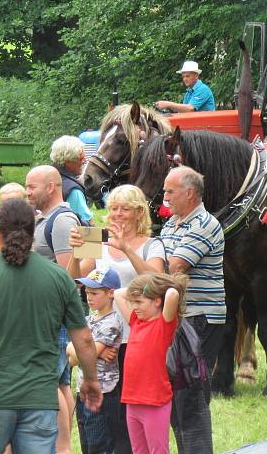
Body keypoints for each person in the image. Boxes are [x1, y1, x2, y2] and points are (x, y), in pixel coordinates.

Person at [0, 198, 103, 454]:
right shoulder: (58, 277)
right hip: (39, 398)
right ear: (33, 230)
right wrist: (92, 380)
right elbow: (83, 339)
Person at [68, 184, 167, 454]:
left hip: (136, 340)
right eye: (113, 208)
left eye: (124, 209)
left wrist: (127, 250)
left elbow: (157, 283)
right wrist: (76, 252)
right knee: (99, 411)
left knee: (126, 413)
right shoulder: (96, 239)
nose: (117, 214)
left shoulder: (152, 244)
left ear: (138, 213)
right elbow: (72, 282)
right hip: (102, 336)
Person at [159, 166, 225, 454]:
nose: (164, 197)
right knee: (178, 394)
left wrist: (139, 258)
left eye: (169, 191)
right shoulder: (172, 223)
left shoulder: (205, 224)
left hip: (199, 320)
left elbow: (172, 267)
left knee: (192, 398)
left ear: (189, 193)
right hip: (181, 319)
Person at [25, 165, 80, 454]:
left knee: (53, 384)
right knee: (60, 382)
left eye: (32, 186)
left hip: (51, 317)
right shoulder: (43, 218)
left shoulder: (61, 221)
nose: (27, 191)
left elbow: (68, 275)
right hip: (45, 316)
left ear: (52, 187)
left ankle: (61, 447)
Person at [115, 273, 187, 454]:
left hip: (154, 402)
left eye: (139, 302)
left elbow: (171, 294)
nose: (135, 307)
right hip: (132, 401)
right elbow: (118, 293)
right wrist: (139, 290)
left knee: (158, 451)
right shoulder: (136, 322)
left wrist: (154, 285)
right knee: (138, 450)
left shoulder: (164, 324)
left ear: (156, 301)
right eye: (133, 302)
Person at [67, 268, 122, 454]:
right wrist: (92, 351)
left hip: (102, 393)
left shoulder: (112, 322)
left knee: (99, 445)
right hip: (82, 389)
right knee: (86, 443)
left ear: (111, 293)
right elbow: (71, 355)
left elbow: (81, 355)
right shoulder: (87, 320)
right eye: (87, 292)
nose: (89, 297)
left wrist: (86, 351)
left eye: (95, 293)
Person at [50, 135, 94, 224]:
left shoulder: (44, 178)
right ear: (68, 160)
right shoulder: (74, 191)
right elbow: (88, 225)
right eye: (81, 159)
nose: (85, 161)